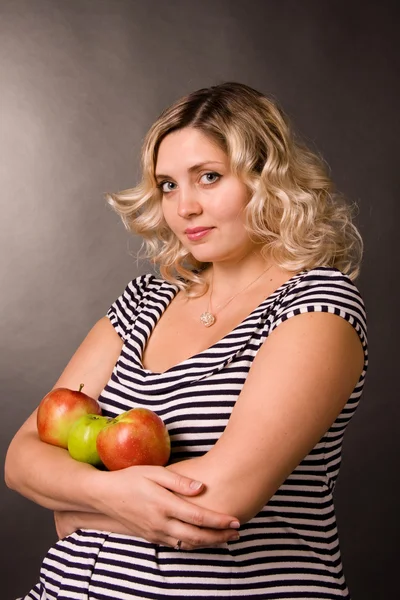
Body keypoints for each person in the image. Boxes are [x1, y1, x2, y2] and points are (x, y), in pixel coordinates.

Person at [5, 81, 368, 600]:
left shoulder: (316, 306)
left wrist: (75, 510)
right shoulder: (143, 302)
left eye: (210, 177)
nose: (185, 207)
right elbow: (23, 457)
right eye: (169, 185)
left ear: (267, 179)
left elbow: (220, 499)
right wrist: (107, 494)